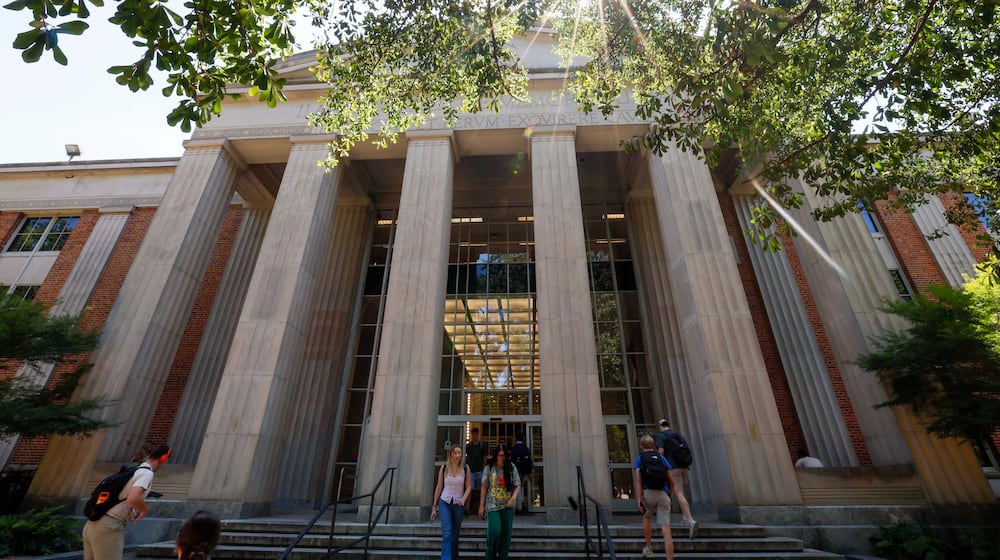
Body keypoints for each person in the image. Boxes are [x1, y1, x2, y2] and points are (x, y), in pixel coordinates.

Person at [82, 444, 171, 560]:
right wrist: (144, 510)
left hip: (92, 525)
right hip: (109, 528)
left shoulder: (134, 471)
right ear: (163, 458)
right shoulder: (147, 473)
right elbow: (133, 498)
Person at [634, 434, 675, 560]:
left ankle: (648, 547)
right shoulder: (661, 458)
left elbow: (639, 479)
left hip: (648, 493)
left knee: (647, 518)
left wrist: (639, 499)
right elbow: (671, 481)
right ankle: (669, 558)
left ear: (642, 446)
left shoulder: (640, 458)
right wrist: (669, 495)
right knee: (666, 529)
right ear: (653, 445)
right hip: (663, 493)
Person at [656, 419, 697, 538]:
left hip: (673, 467)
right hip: (684, 467)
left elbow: (661, 452)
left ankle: (690, 520)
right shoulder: (678, 435)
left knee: (678, 493)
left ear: (660, 426)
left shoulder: (661, 436)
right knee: (681, 491)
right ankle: (684, 517)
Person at [479, 444, 521, 560]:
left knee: (506, 536)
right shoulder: (489, 467)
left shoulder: (511, 468)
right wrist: (481, 506)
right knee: (494, 531)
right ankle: (490, 555)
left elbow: (517, 485)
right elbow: (484, 486)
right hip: (492, 503)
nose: (501, 458)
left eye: (503, 455)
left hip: (508, 505)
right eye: (499, 455)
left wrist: (514, 497)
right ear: (495, 456)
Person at [431, 445, 472, 560]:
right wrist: (434, 507)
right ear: (451, 454)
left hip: (459, 504)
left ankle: (454, 557)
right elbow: (439, 487)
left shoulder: (465, 468)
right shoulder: (444, 468)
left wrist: (464, 498)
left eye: (459, 453)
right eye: (455, 453)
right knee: (447, 533)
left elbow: (469, 487)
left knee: (455, 535)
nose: (457, 455)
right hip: (445, 502)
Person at [465, 427, 489, 515]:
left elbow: (484, 458)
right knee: (470, 490)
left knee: (480, 490)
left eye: (475, 434)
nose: (474, 436)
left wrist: (483, 468)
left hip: (479, 471)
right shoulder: (469, 446)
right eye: (473, 434)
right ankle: (467, 509)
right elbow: (467, 457)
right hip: (471, 471)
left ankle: (480, 508)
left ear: (477, 434)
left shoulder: (481, 445)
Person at [509, 432, 533, 514]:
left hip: (517, 471)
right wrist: (529, 473)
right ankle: (521, 506)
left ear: (515, 438)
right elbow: (529, 460)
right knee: (522, 488)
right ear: (523, 438)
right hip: (525, 472)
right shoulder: (526, 448)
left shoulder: (514, 448)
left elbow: (512, 461)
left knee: (516, 488)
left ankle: (518, 507)